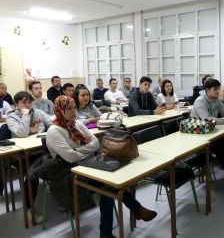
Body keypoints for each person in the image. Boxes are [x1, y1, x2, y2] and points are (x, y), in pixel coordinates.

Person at [46, 96, 157, 238]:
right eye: (69, 108)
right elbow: (70, 158)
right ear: (59, 110)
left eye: (74, 108)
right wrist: (86, 150)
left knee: (112, 181)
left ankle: (111, 229)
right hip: (67, 171)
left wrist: (79, 151)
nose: (74, 111)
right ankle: (135, 210)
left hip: (88, 163)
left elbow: (96, 144)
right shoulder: (54, 131)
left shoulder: (77, 124)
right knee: (108, 186)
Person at [6, 91, 52, 223]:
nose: (27, 105)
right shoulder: (12, 117)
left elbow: (51, 124)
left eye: (29, 102)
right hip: (21, 155)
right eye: (23, 102)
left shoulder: (38, 112)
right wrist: (25, 115)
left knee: (62, 160)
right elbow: (21, 133)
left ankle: (64, 197)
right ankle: (28, 209)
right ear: (16, 104)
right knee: (33, 173)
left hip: (39, 150)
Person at [190, 79, 224, 175]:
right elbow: (208, 120)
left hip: (210, 131)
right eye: (215, 89)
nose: (218, 91)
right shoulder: (200, 101)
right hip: (198, 135)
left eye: (219, 89)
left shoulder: (217, 100)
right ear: (207, 90)